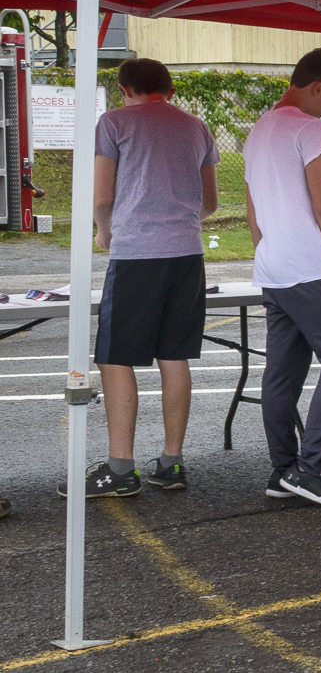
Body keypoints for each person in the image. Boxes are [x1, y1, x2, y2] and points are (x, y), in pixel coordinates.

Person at [79, 57, 218, 499]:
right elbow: (210, 201)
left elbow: (103, 197)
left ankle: (120, 468)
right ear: (170, 90)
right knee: (174, 355)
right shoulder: (196, 127)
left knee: (115, 356)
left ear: (124, 89)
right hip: (187, 252)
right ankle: (171, 462)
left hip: (137, 252)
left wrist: (104, 232)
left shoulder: (114, 122)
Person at [243, 48, 321, 509]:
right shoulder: (308, 126)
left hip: (273, 265)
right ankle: (312, 469)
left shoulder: (258, 128)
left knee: (282, 370)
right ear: (317, 87)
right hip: (310, 264)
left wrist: (266, 250)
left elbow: (252, 208)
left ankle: (283, 470)